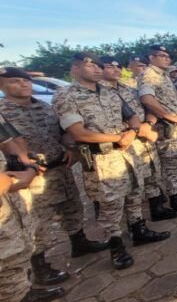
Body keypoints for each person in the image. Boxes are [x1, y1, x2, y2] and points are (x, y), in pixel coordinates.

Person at [0, 68, 106, 286]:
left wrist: (68, 146)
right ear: (2, 85)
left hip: (60, 167)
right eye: (15, 81)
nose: (23, 85)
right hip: (32, 177)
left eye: (25, 81)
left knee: (72, 206)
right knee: (39, 222)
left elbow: (62, 131)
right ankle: (40, 268)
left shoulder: (45, 107)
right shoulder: (3, 113)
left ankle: (79, 242)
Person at [52, 52, 143, 269]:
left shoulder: (110, 93)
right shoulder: (67, 95)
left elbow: (132, 116)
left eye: (99, 66)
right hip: (100, 159)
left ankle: (139, 230)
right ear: (75, 69)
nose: (97, 69)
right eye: (91, 65)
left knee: (134, 193)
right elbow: (79, 134)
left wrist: (133, 131)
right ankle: (116, 247)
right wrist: (119, 137)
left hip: (125, 153)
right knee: (109, 205)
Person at [0, 118, 80, 302]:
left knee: (16, 252)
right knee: (6, 256)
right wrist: (15, 178)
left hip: (10, 195)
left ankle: (24, 300)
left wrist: (25, 165)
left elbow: (7, 138)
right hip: (8, 189)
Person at [99, 57, 172, 245]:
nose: (115, 70)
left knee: (140, 186)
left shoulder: (128, 90)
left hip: (141, 142)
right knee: (113, 200)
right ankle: (115, 244)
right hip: (112, 151)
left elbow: (147, 107)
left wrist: (148, 123)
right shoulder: (92, 93)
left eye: (117, 66)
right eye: (109, 66)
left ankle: (140, 226)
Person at [138, 46, 177, 214]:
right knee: (170, 164)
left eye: (168, 56)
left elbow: (173, 99)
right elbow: (147, 99)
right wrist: (170, 117)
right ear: (151, 57)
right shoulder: (149, 76)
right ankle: (175, 198)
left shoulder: (163, 76)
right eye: (162, 56)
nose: (167, 59)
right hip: (167, 128)